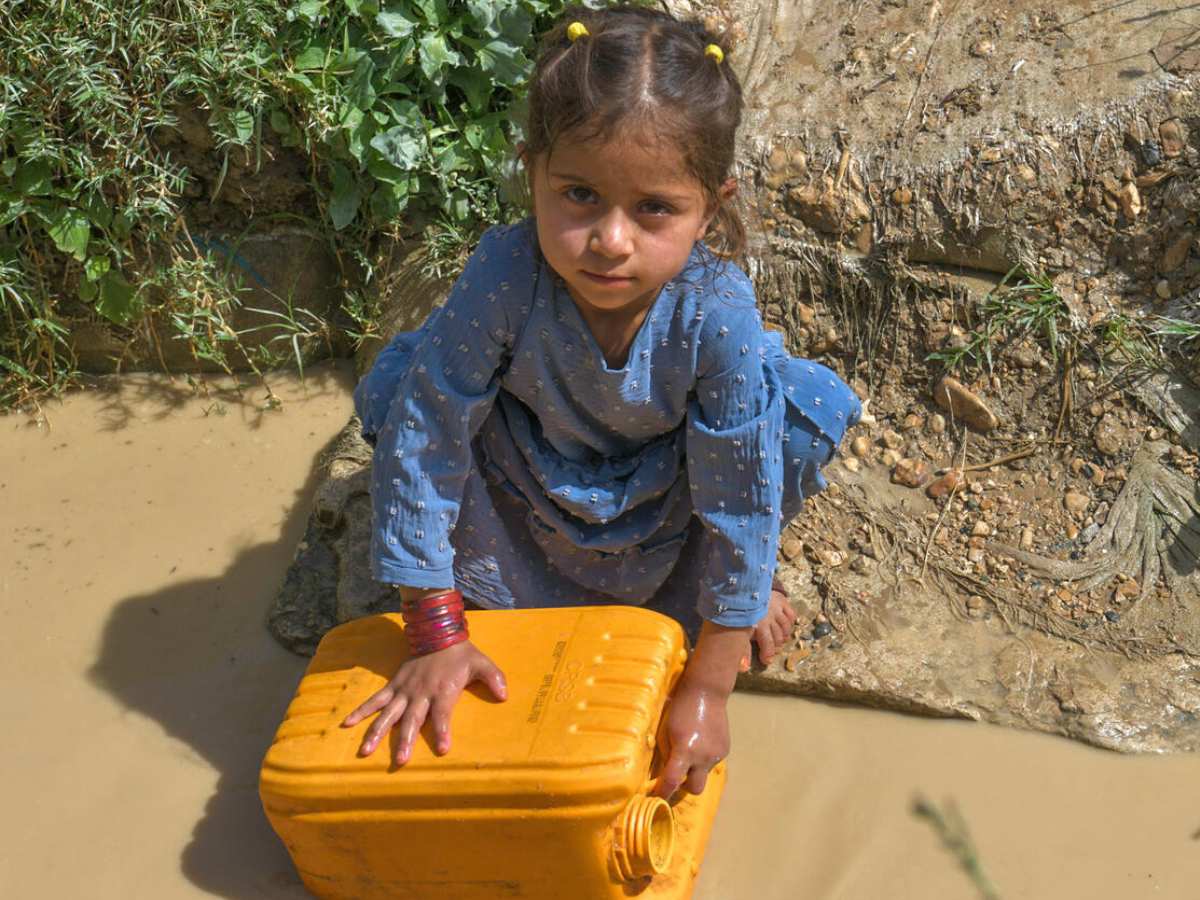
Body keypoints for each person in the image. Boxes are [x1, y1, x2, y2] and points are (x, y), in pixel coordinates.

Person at [342, 4, 861, 799]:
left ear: (711, 208)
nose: (611, 240)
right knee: (398, 391)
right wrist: (434, 631)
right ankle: (534, 593)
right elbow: (428, 437)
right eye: (579, 194)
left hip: (672, 485)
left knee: (793, 417)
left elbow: (739, 497)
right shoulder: (507, 274)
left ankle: (737, 595)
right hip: (535, 475)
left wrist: (709, 686)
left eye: (655, 208)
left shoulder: (714, 309)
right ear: (531, 173)